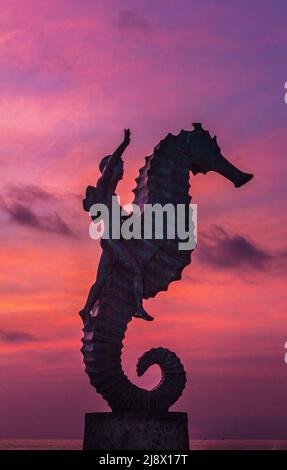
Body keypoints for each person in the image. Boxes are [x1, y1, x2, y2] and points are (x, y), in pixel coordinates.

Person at [79, 129, 153, 323]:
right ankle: (138, 307)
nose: (122, 169)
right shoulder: (104, 188)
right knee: (136, 269)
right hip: (112, 241)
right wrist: (125, 144)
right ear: (108, 169)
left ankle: (86, 309)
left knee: (101, 280)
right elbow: (111, 162)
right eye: (120, 165)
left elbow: (125, 219)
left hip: (111, 241)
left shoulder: (112, 197)